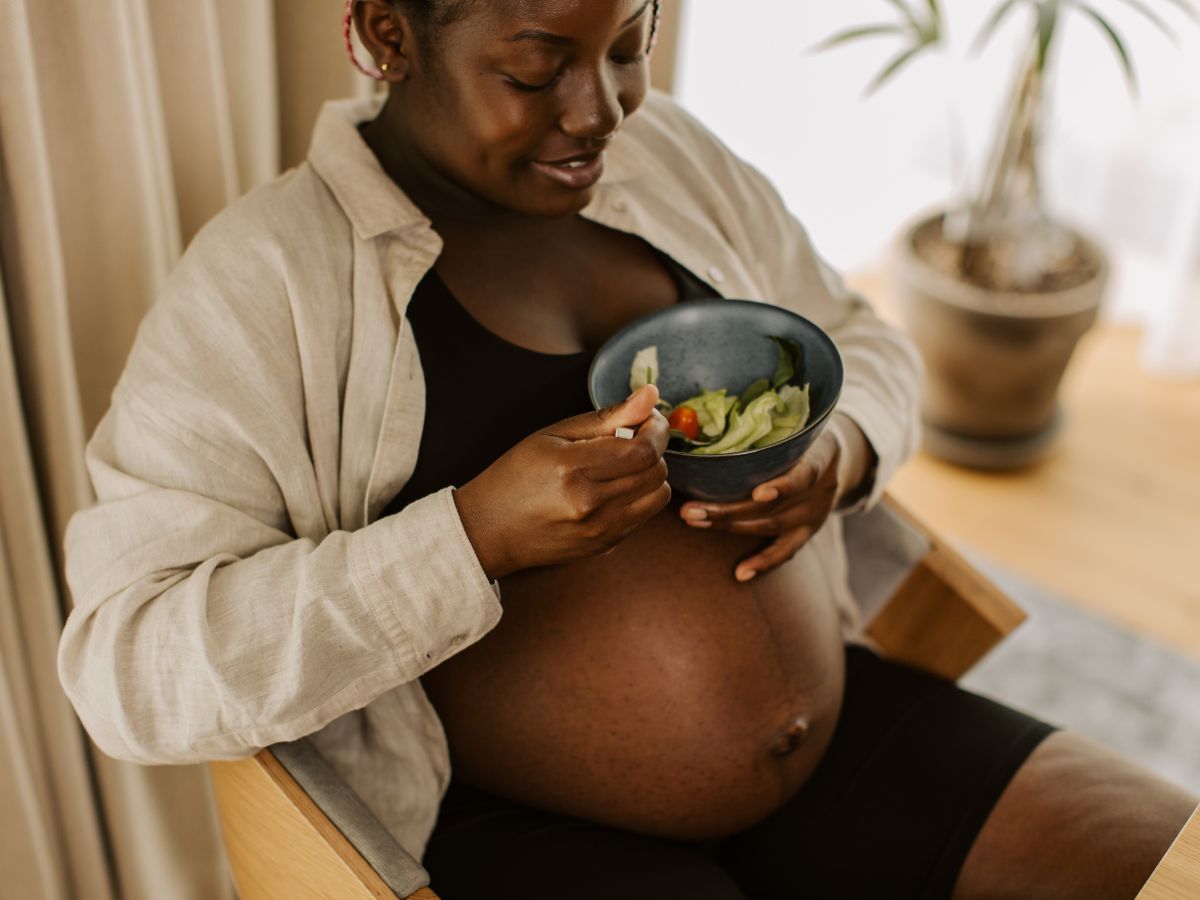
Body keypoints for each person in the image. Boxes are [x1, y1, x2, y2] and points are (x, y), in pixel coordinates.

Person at [58, 1, 1195, 897]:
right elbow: (126, 664)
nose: (599, 112)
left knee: (1167, 858)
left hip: (841, 739)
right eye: (537, 66)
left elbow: (858, 337)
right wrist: (474, 538)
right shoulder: (266, 283)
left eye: (629, 47)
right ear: (387, 34)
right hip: (516, 829)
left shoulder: (669, 165)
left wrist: (838, 453)